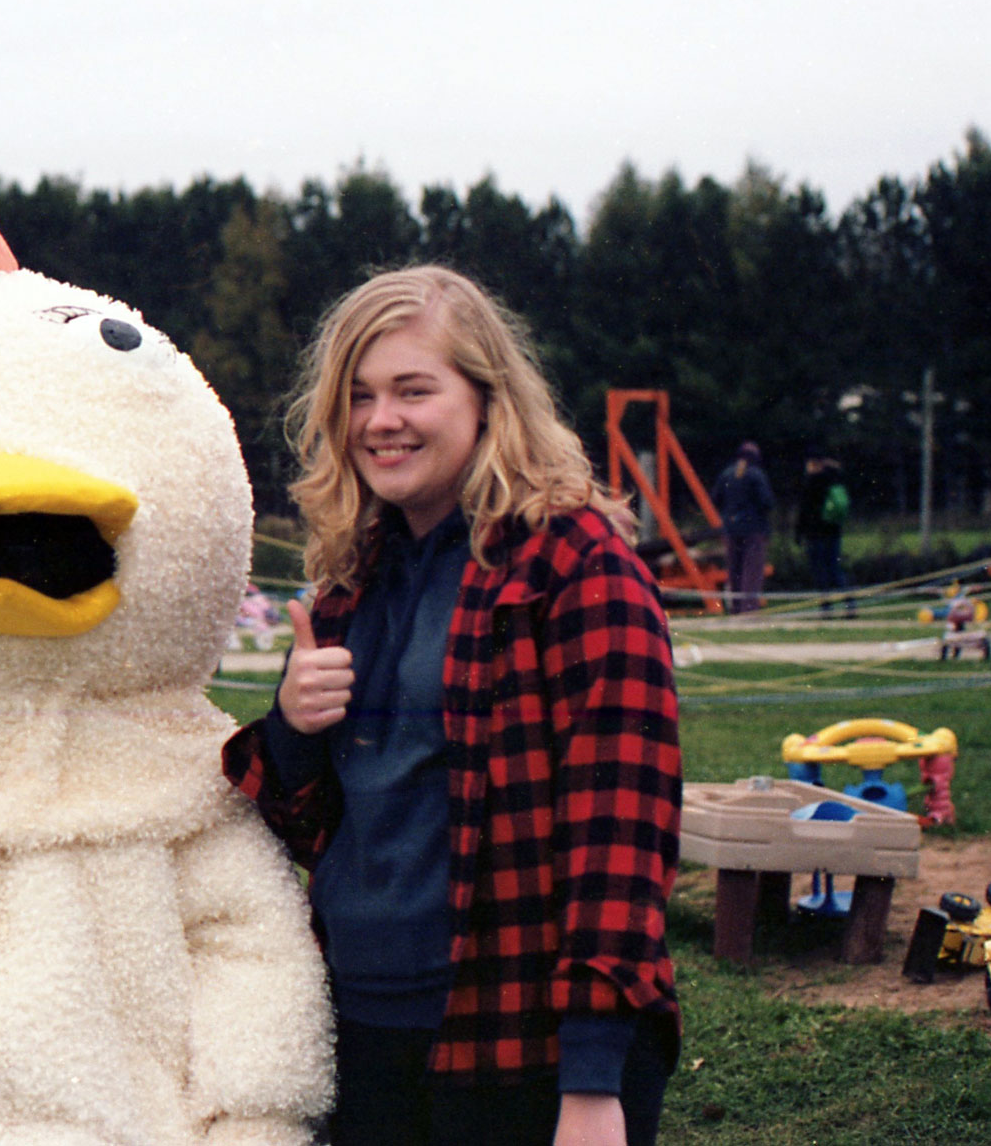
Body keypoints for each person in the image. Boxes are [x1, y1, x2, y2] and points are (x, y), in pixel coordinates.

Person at [222, 266, 680, 1146]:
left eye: (412, 390)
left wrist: (591, 1081)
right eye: (358, 396)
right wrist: (291, 729)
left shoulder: (577, 565)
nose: (380, 420)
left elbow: (621, 836)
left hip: (523, 1044)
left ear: (488, 399)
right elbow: (296, 824)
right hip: (360, 1031)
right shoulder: (350, 579)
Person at [710, 441, 774, 613]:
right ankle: (749, 609)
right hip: (754, 529)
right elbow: (767, 502)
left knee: (734, 569)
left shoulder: (727, 474)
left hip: (731, 529)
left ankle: (735, 607)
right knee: (752, 569)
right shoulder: (756, 474)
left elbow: (715, 498)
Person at [795, 447, 853, 616]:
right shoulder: (835, 479)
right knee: (835, 570)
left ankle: (826, 609)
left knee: (820, 571)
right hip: (833, 532)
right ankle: (850, 605)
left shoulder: (811, 481)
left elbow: (804, 511)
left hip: (815, 534)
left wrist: (799, 533)